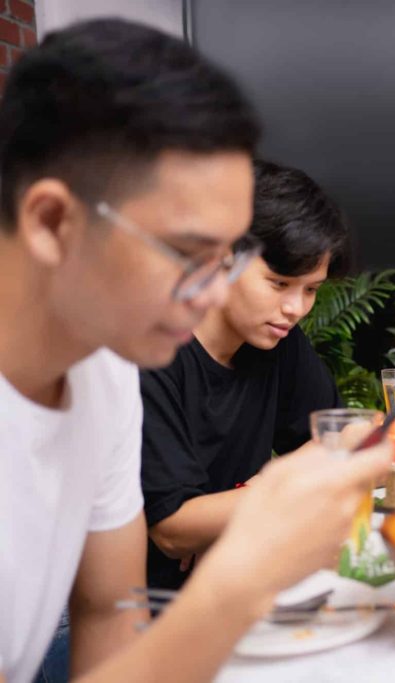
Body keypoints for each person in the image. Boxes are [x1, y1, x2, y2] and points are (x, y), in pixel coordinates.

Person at [0, 19, 391, 683]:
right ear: (51, 222)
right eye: (189, 255)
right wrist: (247, 565)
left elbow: (109, 616)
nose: (213, 293)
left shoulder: (106, 374)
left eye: (227, 258)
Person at [141, 159, 347, 591]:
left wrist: (232, 512)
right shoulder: (153, 350)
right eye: (278, 283)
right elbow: (174, 530)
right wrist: (221, 517)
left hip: (226, 583)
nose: (296, 308)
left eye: (312, 290)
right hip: (130, 604)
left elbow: (339, 441)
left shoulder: (277, 338)